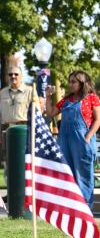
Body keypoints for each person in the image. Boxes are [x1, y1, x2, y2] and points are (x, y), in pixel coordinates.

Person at [45, 70, 99, 209]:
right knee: (67, 173)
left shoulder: (92, 98)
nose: (70, 84)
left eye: (73, 82)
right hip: (65, 142)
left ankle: (85, 208)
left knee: (83, 175)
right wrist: (48, 97)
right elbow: (51, 113)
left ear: (82, 83)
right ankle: (70, 208)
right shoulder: (66, 100)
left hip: (82, 142)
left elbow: (98, 120)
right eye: (70, 81)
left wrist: (87, 137)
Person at [0, 65, 33, 171]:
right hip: (6, 131)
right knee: (8, 161)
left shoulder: (30, 91)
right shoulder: (3, 92)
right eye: (10, 74)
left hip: (24, 131)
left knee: (23, 161)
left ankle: (25, 186)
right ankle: (10, 186)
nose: (13, 76)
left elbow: (36, 113)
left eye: (16, 74)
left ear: (21, 76)